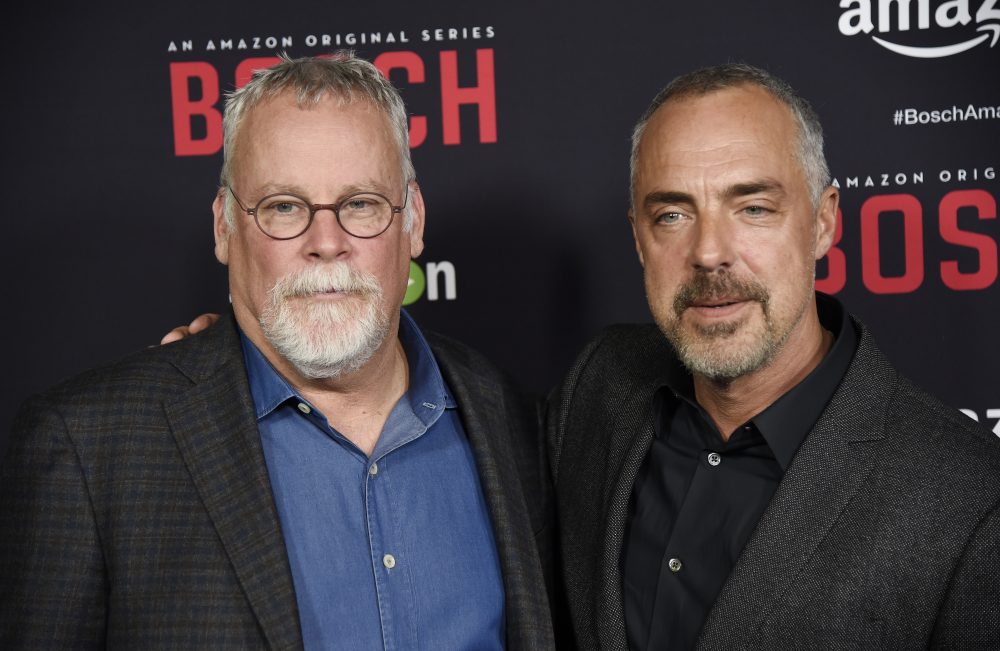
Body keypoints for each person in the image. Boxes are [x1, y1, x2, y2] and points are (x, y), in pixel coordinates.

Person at [0, 54, 555, 650]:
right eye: (284, 206)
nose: (326, 243)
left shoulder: (515, 421)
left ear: (413, 221)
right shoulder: (91, 448)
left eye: (361, 203)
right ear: (223, 228)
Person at [547, 64, 1000, 650]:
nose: (709, 254)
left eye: (753, 208)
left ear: (823, 222)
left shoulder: (968, 500)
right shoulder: (601, 382)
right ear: (638, 238)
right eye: (673, 215)